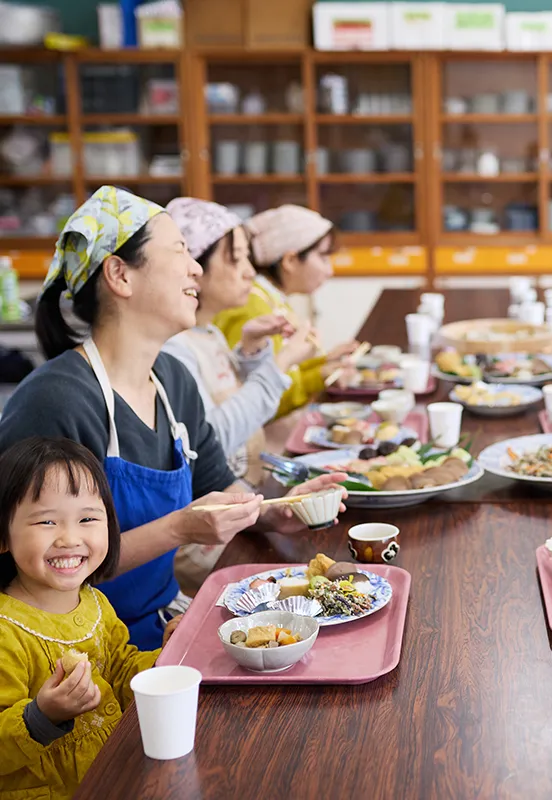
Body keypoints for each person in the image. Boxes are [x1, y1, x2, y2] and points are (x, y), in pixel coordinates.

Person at [0, 186, 346, 650]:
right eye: (179, 250)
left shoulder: (172, 379)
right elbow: (29, 564)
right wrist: (179, 527)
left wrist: (275, 512)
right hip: (75, 654)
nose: (196, 268)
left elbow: (216, 484)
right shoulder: (56, 401)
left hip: (163, 623)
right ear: (120, 275)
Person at [0, 437, 177, 799]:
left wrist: (168, 658)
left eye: (87, 519)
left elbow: (122, 670)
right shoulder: (6, 633)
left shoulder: (93, 601)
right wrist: (42, 716)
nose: (69, 538)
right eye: (46, 521)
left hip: (118, 774)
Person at [162, 197, 319, 596]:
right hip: (208, 540)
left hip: (243, 506)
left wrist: (250, 351)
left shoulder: (209, 333)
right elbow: (211, 440)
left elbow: (238, 406)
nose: (250, 272)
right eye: (236, 259)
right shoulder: (174, 351)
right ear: (193, 266)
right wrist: (280, 365)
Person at [213, 204, 357, 418]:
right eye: (323, 257)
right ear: (289, 260)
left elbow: (286, 371)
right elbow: (259, 396)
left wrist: (325, 362)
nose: (329, 270)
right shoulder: (252, 305)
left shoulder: (270, 297)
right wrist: (319, 376)